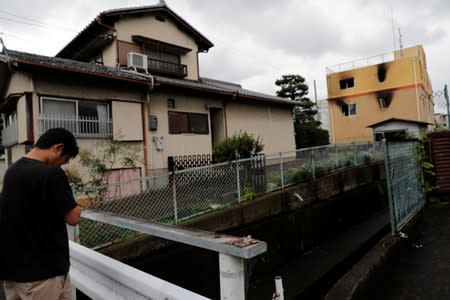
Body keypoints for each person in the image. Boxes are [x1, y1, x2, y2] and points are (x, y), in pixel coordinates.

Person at [0, 128, 81, 300]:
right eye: (64, 160)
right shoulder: (51, 174)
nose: (61, 165)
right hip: (44, 276)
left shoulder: (12, 171)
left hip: (15, 274)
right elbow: (73, 218)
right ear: (58, 148)